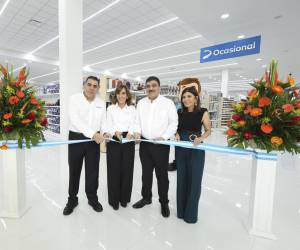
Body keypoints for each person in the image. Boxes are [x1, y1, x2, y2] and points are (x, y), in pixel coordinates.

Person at [132, 76, 178, 218]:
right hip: (144, 144)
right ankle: (146, 198)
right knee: (146, 174)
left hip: (161, 145)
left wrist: (164, 137)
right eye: (148, 86)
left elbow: (173, 123)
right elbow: (137, 121)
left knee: (162, 175)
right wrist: (137, 132)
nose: (150, 88)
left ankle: (164, 202)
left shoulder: (168, 103)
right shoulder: (141, 103)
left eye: (153, 85)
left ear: (159, 87)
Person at [63, 76, 106, 216]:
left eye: (95, 86)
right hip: (76, 138)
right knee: (74, 170)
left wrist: (105, 133)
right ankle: (72, 199)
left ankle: (92, 199)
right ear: (83, 85)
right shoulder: (74, 99)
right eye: (89, 84)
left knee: (93, 171)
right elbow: (75, 120)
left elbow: (103, 122)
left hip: (94, 141)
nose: (92, 88)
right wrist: (93, 133)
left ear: (98, 88)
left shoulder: (101, 102)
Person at [175, 84, 211, 223]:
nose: (186, 99)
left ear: (196, 98)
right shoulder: (179, 112)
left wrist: (201, 138)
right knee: (182, 178)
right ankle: (181, 212)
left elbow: (208, 130)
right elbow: (176, 128)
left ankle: (190, 215)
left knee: (194, 180)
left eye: (189, 96)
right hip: (181, 148)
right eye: (184, 97)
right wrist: (176, 133)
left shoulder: (203, 112)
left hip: (196, 148)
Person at [103, 85, 137, 210]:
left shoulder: (133, 109)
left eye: (123, 93)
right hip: (114, 139)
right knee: (113, 170)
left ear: (127, 95)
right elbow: (108, 123)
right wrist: (114, 131)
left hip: (128, 139)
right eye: (118, 93)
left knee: (127, 170)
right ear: (115, 95)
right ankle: (114, 200)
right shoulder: (111, 108)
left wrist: (131, 132)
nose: (121, 96)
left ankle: (124, 199)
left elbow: (135, 122)